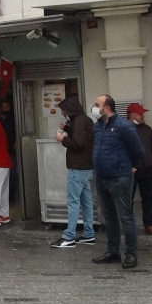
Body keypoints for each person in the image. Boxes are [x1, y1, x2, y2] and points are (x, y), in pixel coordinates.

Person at [91, 95, 145, 269]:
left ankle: (131, 254)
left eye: (96, 105)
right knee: (109, 217)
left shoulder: (123, 126)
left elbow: (137, 150)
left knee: (126, 217)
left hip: (120, 177)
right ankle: (113, 251)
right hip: (102, 177)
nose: (94, 107)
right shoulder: (97, 127)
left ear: (107, 108)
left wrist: (131, 166)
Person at [51, 97, 95, 248]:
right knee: (86, 201)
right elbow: (83, 138)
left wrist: (62, 138)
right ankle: (89, 233)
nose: (63, 113)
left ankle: (69, 236)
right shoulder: (85, 120)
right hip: (87, 166)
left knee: (73, 201)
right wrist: (69, 129)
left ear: (69, 109)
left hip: (78, 167)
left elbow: (78, 143)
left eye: (63, 110)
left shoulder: (78, 121)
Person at [127, 103, 152, 236]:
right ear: (132, 115)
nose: (143, 116)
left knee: (148, 198)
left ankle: (149, 224)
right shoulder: (123, 129)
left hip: (148, 168)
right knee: (127, 199)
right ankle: (128, 226)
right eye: (140, 113)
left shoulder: (147, 129)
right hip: (130, 170)